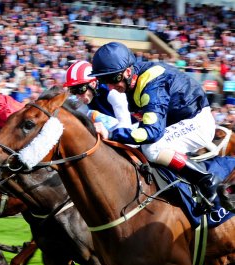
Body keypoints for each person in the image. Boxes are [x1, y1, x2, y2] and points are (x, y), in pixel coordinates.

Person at [89, 42, 219, 210]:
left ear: (128, 71)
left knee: (152, 148)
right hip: (176, 122)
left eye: (113, 79)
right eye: (104, 80)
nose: (111, 86)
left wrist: (112, 134)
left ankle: (206, 180)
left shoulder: (152, 85)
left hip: (198, 123)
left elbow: (151, 132)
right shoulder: (132, 83)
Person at [63, 60, 132, 130]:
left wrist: (108, 133)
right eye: (73, 91)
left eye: (80, 90)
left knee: (91, 114)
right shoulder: (87, 95)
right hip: (118, 126)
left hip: (133, 126)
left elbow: (125, 125)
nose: (77, 96)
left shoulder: (113, 92)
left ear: (93, 84)